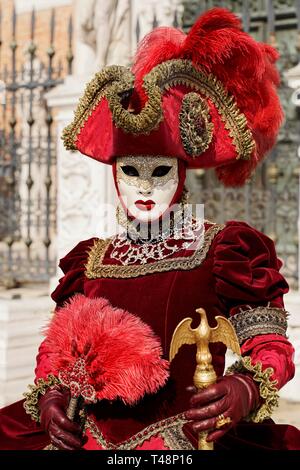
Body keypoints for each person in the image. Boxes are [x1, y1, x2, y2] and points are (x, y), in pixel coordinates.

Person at [1, 7, 300, 450]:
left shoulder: (224, 250)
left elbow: (270, 345)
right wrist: (51, 395)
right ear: (115, 176)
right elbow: (58, 355)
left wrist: (246, 387)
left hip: (186, 443)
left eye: (158, 171)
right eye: (130, 172)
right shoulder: (90, 261)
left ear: (180, 175)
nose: (143, 187)